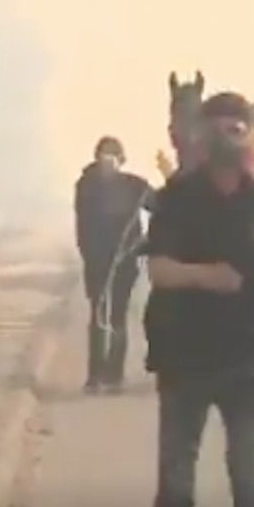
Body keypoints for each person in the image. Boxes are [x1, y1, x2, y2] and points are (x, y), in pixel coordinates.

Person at [144, 92, 254, 507]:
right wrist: (206, 277)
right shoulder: (176, 200)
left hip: (253, 357)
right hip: (183, 353)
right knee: (176, 475)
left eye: (235, 129)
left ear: (248, 136)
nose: (226, 138)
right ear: (201, 136)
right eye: (216, 129)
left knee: (251, 471)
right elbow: (159, 269)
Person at [74, 136, 154, 394]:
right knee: (98, 314)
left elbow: (162, 206)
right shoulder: (86, 186)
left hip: (126, 260)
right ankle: (95, 375)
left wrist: (146, 241)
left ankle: (114, 374)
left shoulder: (135, 186)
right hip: (96, 261)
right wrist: (89, 255)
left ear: (121, 159)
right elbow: (83, 226)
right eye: (103, 154)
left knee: (118, 315)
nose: (107, 159)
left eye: (112, 154)